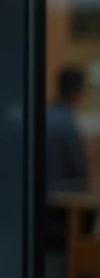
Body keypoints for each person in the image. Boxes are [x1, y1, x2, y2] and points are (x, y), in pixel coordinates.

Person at [46, 65, 90, 195]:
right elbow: (78, 169)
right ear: (78, 93)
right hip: (58, 195)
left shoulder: (45, 114)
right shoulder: (66, 122)